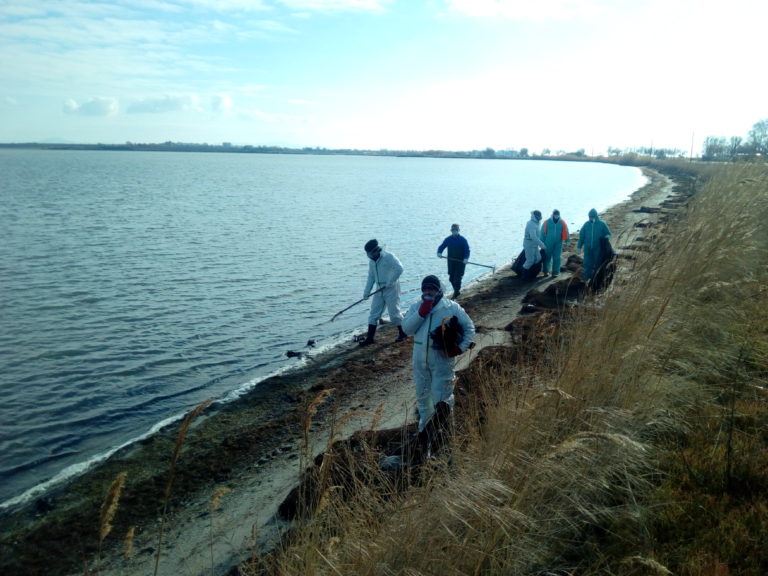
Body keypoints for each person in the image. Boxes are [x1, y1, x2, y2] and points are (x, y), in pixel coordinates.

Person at [402, 274, 475, 457]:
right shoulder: (416, 307)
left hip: (442, 361)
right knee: (423, 399)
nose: (428, 292)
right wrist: (421, 313)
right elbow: (406, 329)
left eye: (432, 289)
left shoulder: (451, 307)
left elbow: (469, 327)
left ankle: (444, 436)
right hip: (420, 361)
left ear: (439, 290)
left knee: (441, 398)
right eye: (425, 289)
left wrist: (461, 347)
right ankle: (424, 435)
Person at [360, 239, 407, 346]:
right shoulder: (372, 262)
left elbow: (399, 269)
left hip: (391, 289)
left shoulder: (388, 257)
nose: (369, 255)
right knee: (373, 314)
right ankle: (370, 338)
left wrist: (391, 281)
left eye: (370, 253)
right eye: (368, 254)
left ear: (376, 250)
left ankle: (403, 333)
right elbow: (371, 277)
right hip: (379, 290)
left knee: (394, 314)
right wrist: (366, 292)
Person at [577, 208, 612, 283]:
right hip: (588, 249)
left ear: (596, 216)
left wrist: (606, 237)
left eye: (592, 216)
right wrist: (579, 247)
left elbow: (608, 233)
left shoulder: (602, 224)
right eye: (589, 216)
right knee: (587, 264)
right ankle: (586, 280)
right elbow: (582, 236)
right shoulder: (586, 225)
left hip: (598, 249)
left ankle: (596, 280)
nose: (591, 218)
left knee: (597, 264)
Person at [436, 223, 471, 298]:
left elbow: (467, 250)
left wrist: (466, 258)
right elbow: (441, 247)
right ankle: (456, 290)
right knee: (451, 278)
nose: (454, 231)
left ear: (458, 230)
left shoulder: (463, 240)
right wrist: (439, 252)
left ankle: (456, 292)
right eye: (453, 230)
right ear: (451, 231)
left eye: (456, 230)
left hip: (461, 262)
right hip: (451, 262)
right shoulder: (448, 239)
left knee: (457, 278)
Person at [540, 209, 570, 277]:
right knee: (547, 257)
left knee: (557, 257)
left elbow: (566, 231)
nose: (556, 216)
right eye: (555, 214)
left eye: (557, 215)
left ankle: (555, 272)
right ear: (553, 215)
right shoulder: (547, 222)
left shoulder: (562, 222)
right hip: (548, 243)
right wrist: (541, 243)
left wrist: (567, 240)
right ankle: (545, 271)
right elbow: (542, 233)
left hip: (558, 243)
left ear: (559, 215)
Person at [523, 210, 547, 277]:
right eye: (538, 216)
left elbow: (538, 234)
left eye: (540, 215)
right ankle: (524, 275)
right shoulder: (531, 224)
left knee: (538, 258)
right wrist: (542, 245)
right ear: (535, 216)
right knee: (530, 260)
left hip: (535, 245)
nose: (540, 217)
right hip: (529, 244)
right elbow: (533, 237)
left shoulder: (537, 223)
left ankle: (532, 272)